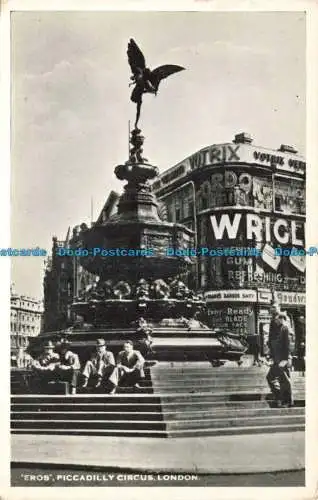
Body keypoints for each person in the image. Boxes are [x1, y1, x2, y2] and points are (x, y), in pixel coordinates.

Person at [266, 313, 293, 407]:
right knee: (271, 377)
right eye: (275, 319)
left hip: (282, 360)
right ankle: (279, 396)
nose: (276, 321)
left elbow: (287, 346)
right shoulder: (275, 329)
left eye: (277, 319)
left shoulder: (284, 329)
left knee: (284, 380)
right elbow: (273, 345)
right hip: (276, 360)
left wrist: (285, 359)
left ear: (281, 319)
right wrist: (270, 356)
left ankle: (286, 401)